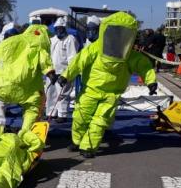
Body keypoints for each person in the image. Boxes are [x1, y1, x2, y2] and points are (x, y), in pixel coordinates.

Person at [57, 11, 157, 158]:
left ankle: (88, 147)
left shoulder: (129, 54)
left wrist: (151, 81)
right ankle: (77, 141)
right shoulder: (96, 47)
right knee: (80, 117)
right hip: (90, 91)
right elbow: (79, 61)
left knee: (100, 121)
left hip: (111, 94)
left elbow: (144, 67)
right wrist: (66, 75)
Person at [0, 24, 56, 132]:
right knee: (33, 105)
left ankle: (0, 128)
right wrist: (50, 73)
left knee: (1, 105)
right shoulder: (36, 44)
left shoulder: (3, 45)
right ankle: (25, 133)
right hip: (24, 87)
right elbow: (44, 59)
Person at [46, 17, 78, 122]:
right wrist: (49, 72)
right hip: (52, 73)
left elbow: (72, 59)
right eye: (57, 29)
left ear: (64, 29)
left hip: (63, 73)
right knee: (50, 93)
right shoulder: (52, 40)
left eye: (61, 29)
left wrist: (66, 74)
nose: (59, 31)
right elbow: (48, 56)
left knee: (62, 95)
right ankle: (51, 113)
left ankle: (62, 114)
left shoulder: (70, 39)